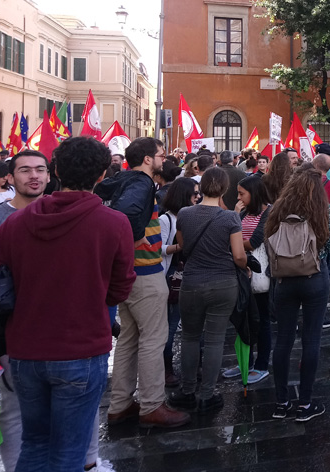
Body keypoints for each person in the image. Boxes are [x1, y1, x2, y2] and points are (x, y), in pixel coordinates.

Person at [0, 137, 136, 472]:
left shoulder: (18, 221)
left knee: (35, 446)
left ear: (55, 171)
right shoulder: (114, 223)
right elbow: (121, 287)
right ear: (103, 174)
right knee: (68, 454)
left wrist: (14, 300)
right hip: (81, 349)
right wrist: (94, 298)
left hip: (27, 350)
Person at [99, 137, 190, 429]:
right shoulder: (141, 183)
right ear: (148, 159)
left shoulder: (119, 180)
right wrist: (132, 241)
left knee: (128, 338)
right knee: (153, 338)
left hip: (126, 274)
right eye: (161, 155)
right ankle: (152, 404)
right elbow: (124, 218)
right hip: (144, 272)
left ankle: (121, 403)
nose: (165, 160)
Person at [168, 167, 246, 413]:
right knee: (214, 340)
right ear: (224, 189)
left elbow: (182, 244)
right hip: (223, 283)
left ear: (200, 188)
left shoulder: (185, 213)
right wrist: (246, 267)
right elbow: (238, 255)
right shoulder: (230, 218)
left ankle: (188, 390)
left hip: (191, 282)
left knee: (190, 337)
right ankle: (207, 394)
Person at [267, 164, 330, 422]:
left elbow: (268, 239)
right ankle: (305, 404)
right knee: (311, 339)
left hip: (284, 280)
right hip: (314, 277)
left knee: (283, 340)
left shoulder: (278, 209)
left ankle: (281, 402)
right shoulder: (324, 211)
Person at [226, 175, 272, 384]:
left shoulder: (269, 212)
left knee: (261, 320)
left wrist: (235, 240)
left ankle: (261, 364)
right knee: (242, 320)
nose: (238, 197)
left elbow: (254, 242)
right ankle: (245, 361)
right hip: (241, 274)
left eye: (242, 193)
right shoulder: (243, 212)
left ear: (253, 193)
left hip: (260, 274)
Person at [159, 177, 199, 389]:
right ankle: (167, 370)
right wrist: (181, 246)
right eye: (194, 193)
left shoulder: (191, 215)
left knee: (193, 323)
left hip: (191, 272)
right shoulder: (166, 219)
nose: (197, 197)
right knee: (171, 324)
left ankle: (194, 367)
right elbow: (160, 248)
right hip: (173, 274)